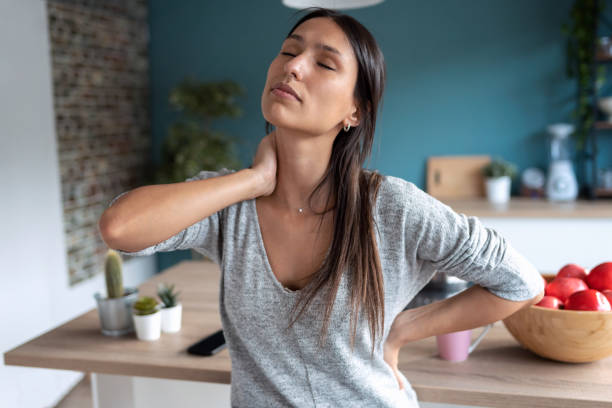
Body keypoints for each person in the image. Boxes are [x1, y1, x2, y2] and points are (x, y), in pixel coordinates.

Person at [98, 8, 544, 408]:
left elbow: (521, 283)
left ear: (355, 112)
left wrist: (402, 329)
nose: (293, 66)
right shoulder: (230, 203)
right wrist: (252, 180)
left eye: (324, 63)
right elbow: (120, 227)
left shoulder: (393, 208)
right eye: (288, 51)